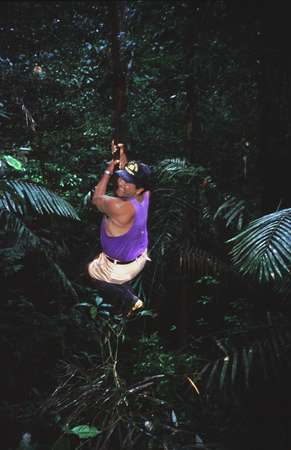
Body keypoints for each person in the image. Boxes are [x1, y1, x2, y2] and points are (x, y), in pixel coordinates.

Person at [86, 141, 152, 317]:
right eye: (122, 177)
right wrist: (120, 155)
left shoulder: (119, 207)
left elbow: (97, 199)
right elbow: (129, 176)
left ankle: (131, 301)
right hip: (139, 255)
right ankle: (125, 305)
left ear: (139, 189)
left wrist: (109, 170)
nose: (121, 182)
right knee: (121, 280)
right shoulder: (145, 195)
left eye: (127, 183)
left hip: (120, 264)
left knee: (92, 274)